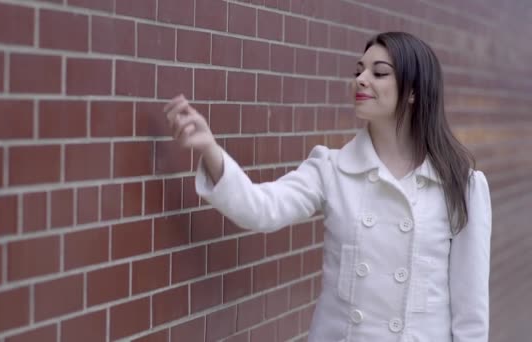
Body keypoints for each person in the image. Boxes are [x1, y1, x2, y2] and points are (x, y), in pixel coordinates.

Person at [164, 32, 492, 342]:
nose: (361, 80)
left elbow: (470, 309)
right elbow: (261, 209)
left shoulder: (460, 186)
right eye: (359, 70)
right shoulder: (331, 169)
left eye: (379, 73)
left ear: (413, 92)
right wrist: (210, 149)